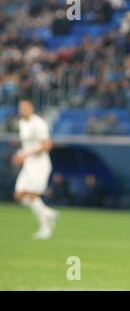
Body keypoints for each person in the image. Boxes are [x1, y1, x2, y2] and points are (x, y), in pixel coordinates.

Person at [12, 99, 58, 240]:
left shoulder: (38, 123)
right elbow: (28, 144)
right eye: (21, 108)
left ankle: (46, 229)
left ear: (31, 108)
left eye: (26, 107)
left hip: (40, 164)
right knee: (19, 195)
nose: (23, 110)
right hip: (29, 163)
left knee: (32, 195)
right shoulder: (22, 123)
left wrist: (25, 154)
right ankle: (48, 212)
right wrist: (21, 154)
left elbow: (47, 145)